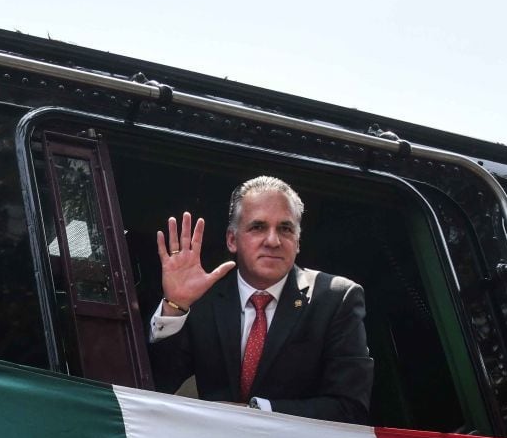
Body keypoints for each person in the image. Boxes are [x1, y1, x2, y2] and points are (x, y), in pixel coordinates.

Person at [146, 175, 373, 424]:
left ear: (298, 241)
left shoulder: (336, 298)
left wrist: (255, 411)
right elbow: (154, 386)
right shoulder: (204, 297)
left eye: (285, 229)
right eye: (258, 227)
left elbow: (350, 408)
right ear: (232, 240)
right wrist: (175, 306)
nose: (273, 241)